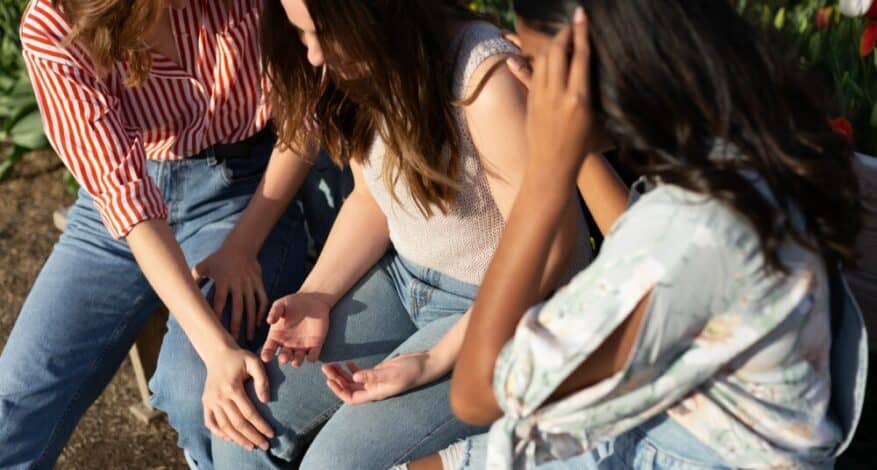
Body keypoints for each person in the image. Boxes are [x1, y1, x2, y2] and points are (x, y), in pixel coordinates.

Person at [442, 1, 867, 468]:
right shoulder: (736, 156)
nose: (536, 87)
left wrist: (546, 175)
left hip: (683, 447)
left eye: (545, 70)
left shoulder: (692, 230)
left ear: (611, 67)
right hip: (693, 423)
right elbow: (637, 241)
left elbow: (479, 391)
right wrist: (572, 145)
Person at [208, 1, 608, 468]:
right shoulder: (356, 66)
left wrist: (434, 359)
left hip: (502, 307)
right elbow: (372, 199)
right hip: (405, 281)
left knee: (337, 462)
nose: (314, 57)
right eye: (301, 35)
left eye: (322, 34)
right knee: (244, 426)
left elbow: (545, 255)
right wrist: (317, 294)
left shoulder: (481, 79)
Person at [0, 1, 340, 468]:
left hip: (245, 192)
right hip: (120, 203)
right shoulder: (53, 23)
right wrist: (215, 345)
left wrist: (241, 248)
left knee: (197, 392)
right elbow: (128, 203)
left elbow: (305, 113)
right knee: (13, 405)